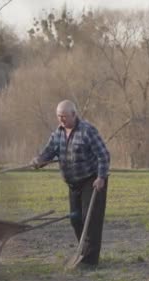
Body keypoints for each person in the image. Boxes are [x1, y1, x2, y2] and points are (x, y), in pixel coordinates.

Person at [30, 100, 110, 269]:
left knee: (91, 218)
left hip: (92, 179)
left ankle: (90, 260)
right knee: (76, 219)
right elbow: (49, 152)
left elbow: (103, 155)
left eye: (64, 116)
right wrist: (39, 160)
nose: (61, 120)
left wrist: (101, 177)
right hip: (73, 183)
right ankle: (83, 250)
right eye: (59, 117)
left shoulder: (87, 131)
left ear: (74, 114)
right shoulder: (57, 133)